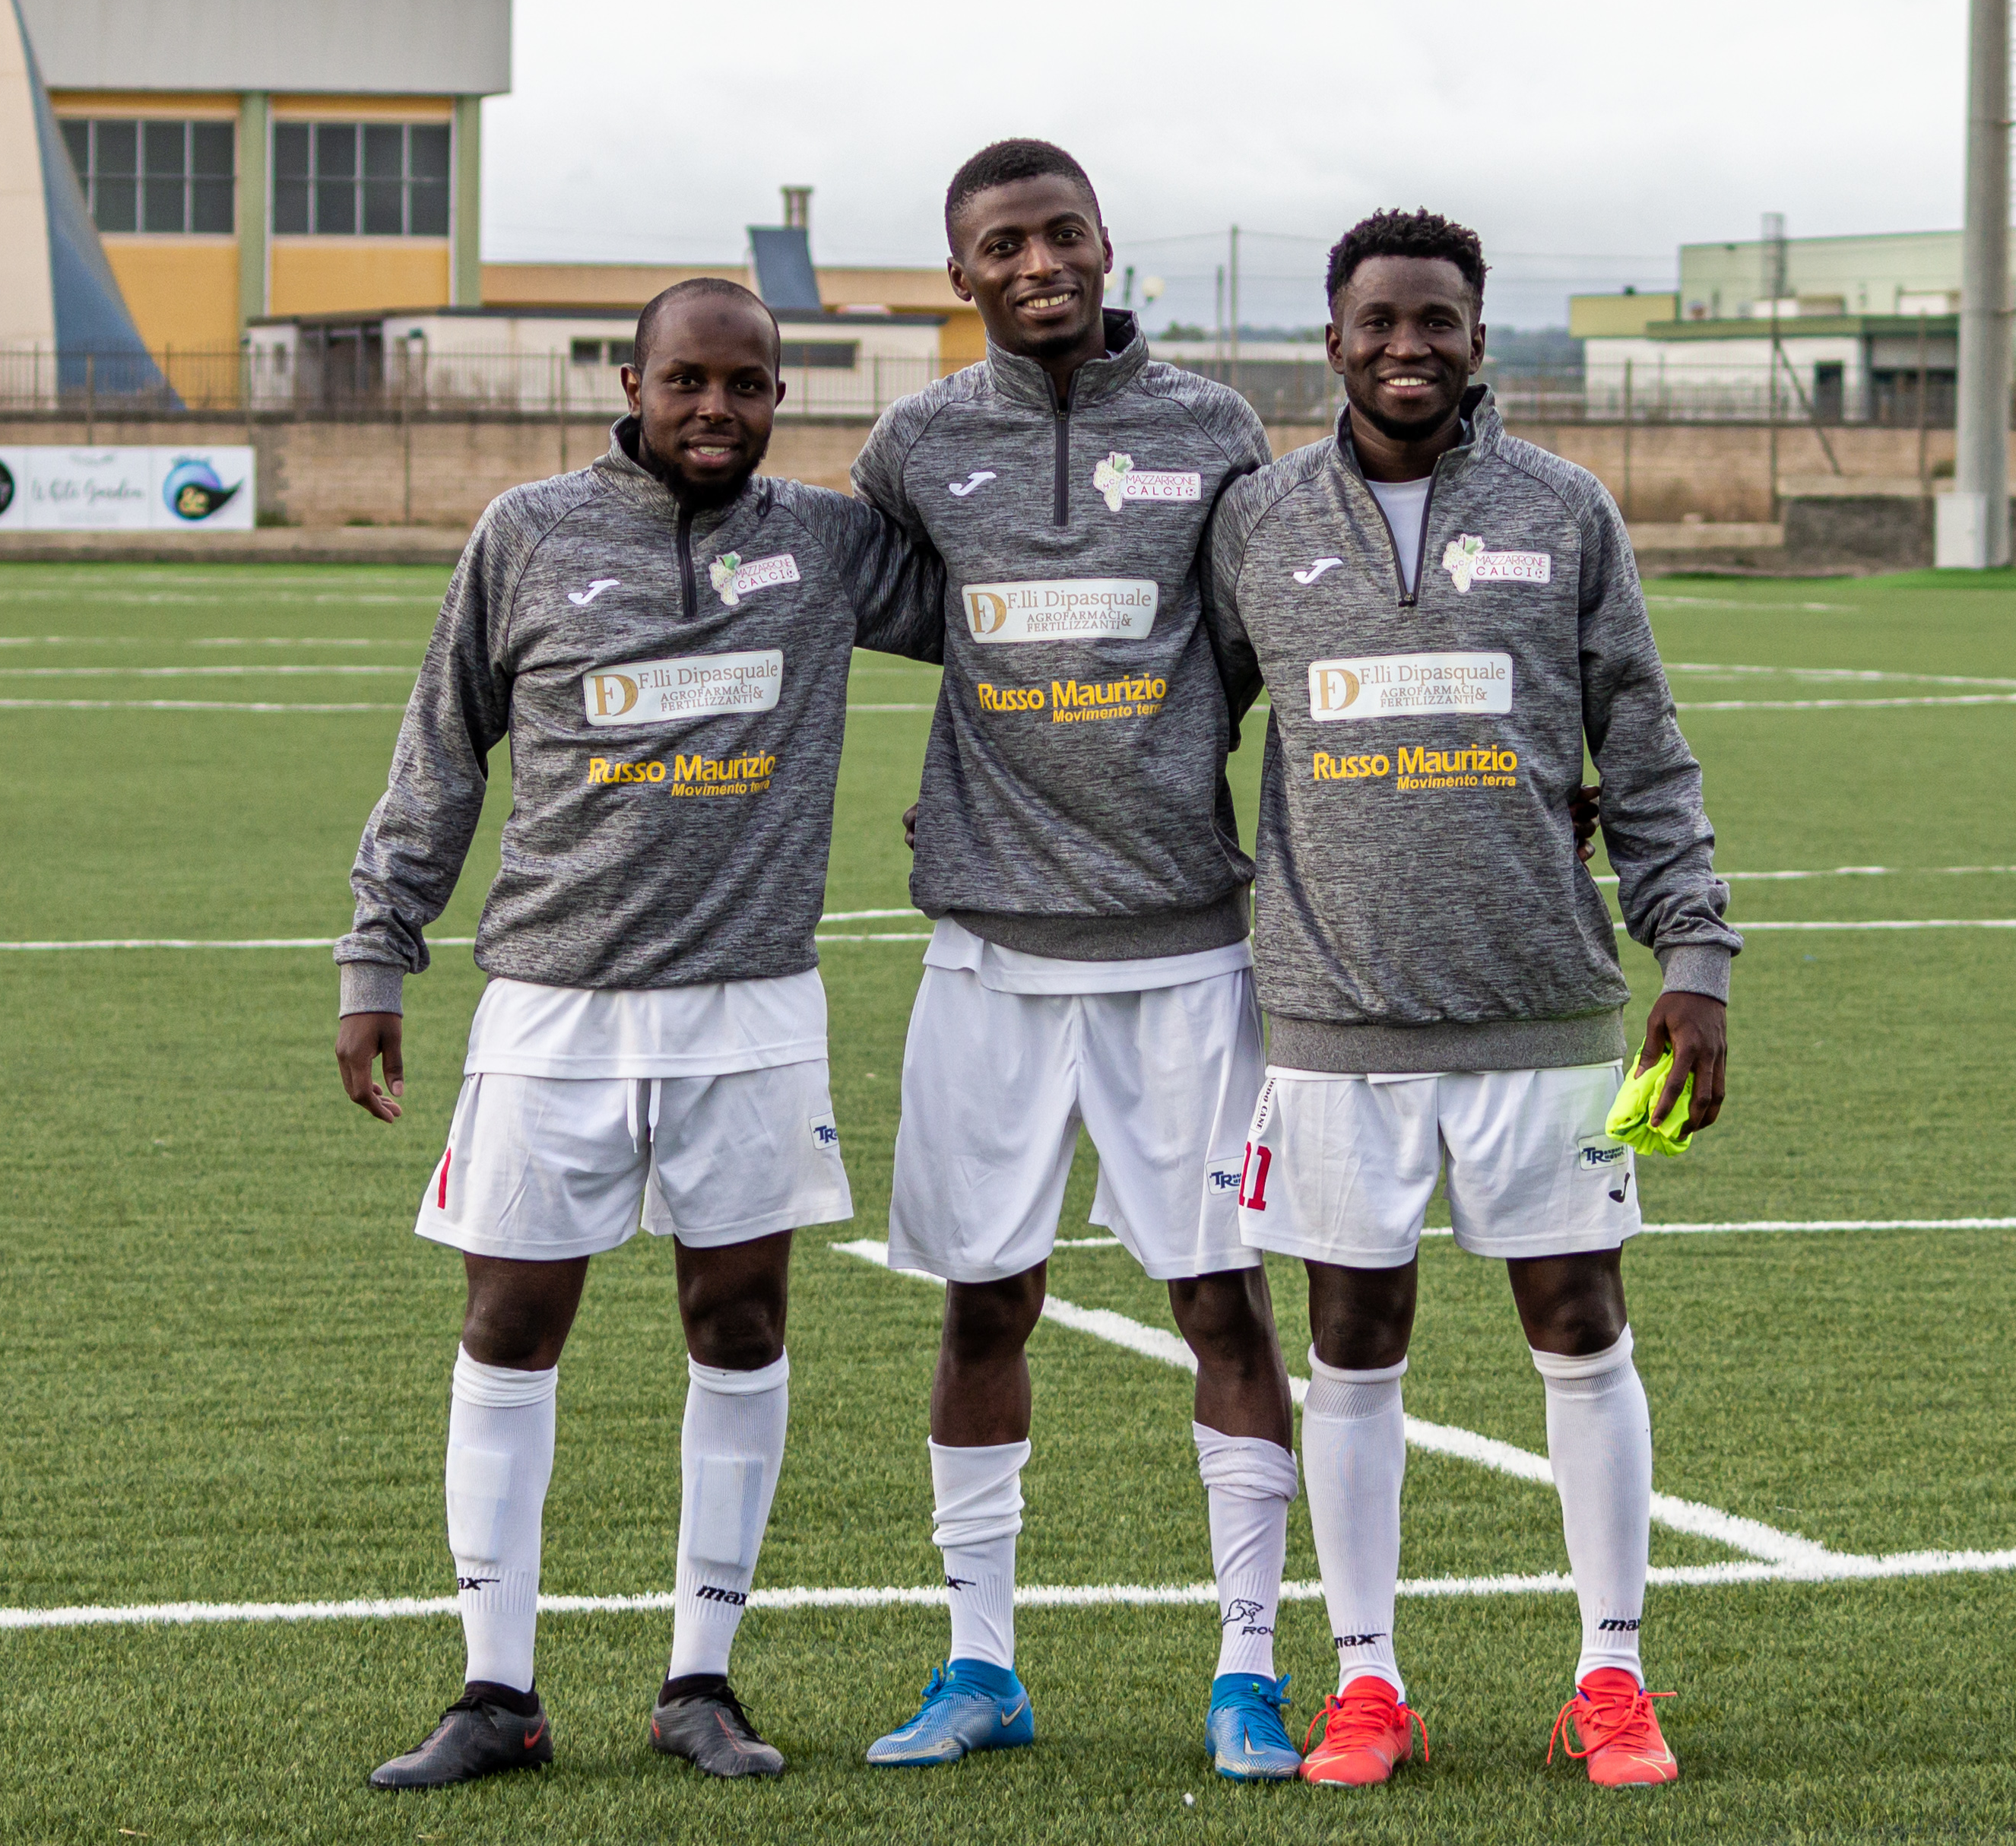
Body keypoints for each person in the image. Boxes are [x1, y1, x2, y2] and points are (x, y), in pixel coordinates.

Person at [334, 280, 946, 1789]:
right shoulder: (529, 533)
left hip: (751, 1003)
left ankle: (699, 1680)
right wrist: (377, 950)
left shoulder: (828, 543)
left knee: (738, 1323)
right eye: (687, 380)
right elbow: (441, 751)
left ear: (781, 396)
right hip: (553, 1005)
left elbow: (1010, 620)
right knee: (509, 1320)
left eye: (746, 383)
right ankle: (496, 1691)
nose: (715, 408)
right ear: (633, 383)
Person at [1205, 208, 1739, 1790]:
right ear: (1332, 339)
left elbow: (1642, 742)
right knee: (1352, 1336)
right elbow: (1172, 725)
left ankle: (1612, 1674)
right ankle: (1368, 1681)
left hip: (1541, 1007)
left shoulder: (1564, 511)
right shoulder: (1259, 521)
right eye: (1378, 321)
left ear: (1478, 336)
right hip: (1334, 1014)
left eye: (1435, 319)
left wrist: (1693, 959)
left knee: (1580, 1321)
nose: (1406, 346)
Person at [846, 138, 1306, 1780]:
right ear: (959, 273)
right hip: (989, 944)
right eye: (1002, 244)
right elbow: (873, 602)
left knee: (1222, 1300)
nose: (1037, 263)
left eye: (1061, 234)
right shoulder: (915, 444)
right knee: (986, 1304)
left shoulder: (1212, 425)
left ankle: (1249, 1669)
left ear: (1107, 243)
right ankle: (980, 1663)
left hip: (1183, 947)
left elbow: (1256, 645)